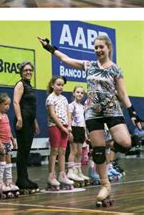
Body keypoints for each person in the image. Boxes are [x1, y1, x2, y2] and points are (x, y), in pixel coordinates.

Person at [38, 34, 142, 207]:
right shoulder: (89, 65)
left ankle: (109, 159)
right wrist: (50, 47)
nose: (98, 50)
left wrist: (133, 113)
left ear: (108, 48)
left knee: (125, 142)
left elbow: (123, 93)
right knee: (98, 150)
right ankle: (105, 185)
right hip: (93, 113)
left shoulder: (116, 69)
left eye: (101, 47)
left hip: (112, 110)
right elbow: (65, 58)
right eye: (95, 47)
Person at [12, 61, 40, 192]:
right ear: (21, 72)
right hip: (22, 121)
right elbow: (16, 102)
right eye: (25, 70)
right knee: (22, 151)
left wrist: (34, 122)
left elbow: (32, 107)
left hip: (29, 121)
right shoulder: (20, 84)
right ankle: (21, 179)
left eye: (30, 70)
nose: (28, 72)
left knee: (26, 151)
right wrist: (19, 118)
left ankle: (25, 177)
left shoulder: (29, 85)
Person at [45, 76, 74, 190]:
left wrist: (69, 126)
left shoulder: (64, 99)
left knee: (63, 151)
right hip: (55, 126)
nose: (61, 87)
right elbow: (52, 114)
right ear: (52, 85)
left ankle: (62, 175)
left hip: (65, 127)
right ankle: (51, 175)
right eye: (58, 84)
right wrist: (62, 127)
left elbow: (68, 113)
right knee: (55, 150)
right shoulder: (50, 98)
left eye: (62, 85)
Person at [0, 93, 19, 198]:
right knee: (2, 163)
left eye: (9, 104)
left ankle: (9, 182)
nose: (7, 106)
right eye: (5, 104)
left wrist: (12, 138)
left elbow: (8, 129)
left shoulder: (6, 115)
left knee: (9, 163)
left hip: (7, 142)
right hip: (1, 143)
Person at [67, 86, 90, 185]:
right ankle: (71, 171)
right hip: (74, 128)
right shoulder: (71, 105)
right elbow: (69, 118)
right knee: (73, 151)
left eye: (81, 93)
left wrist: (85, 132)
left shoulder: (83, 107)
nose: (79, 94)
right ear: (74, 93)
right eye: (77, 92)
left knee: (80, 152)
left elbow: (83, 120)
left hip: (81, 129)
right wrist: (69, 129)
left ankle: (78, 170)